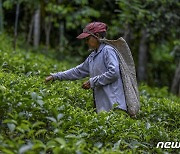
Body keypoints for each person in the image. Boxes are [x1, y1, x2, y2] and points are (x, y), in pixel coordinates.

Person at [45, 22, 127, 113]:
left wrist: (92, 81)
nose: (86, 42)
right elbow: (78, 71)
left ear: (97, 36)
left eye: (88, 39)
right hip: (104, 109)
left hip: (115, 106)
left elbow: (114, 72)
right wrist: (55, 76)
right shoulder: (93, 56)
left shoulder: (108, 50)